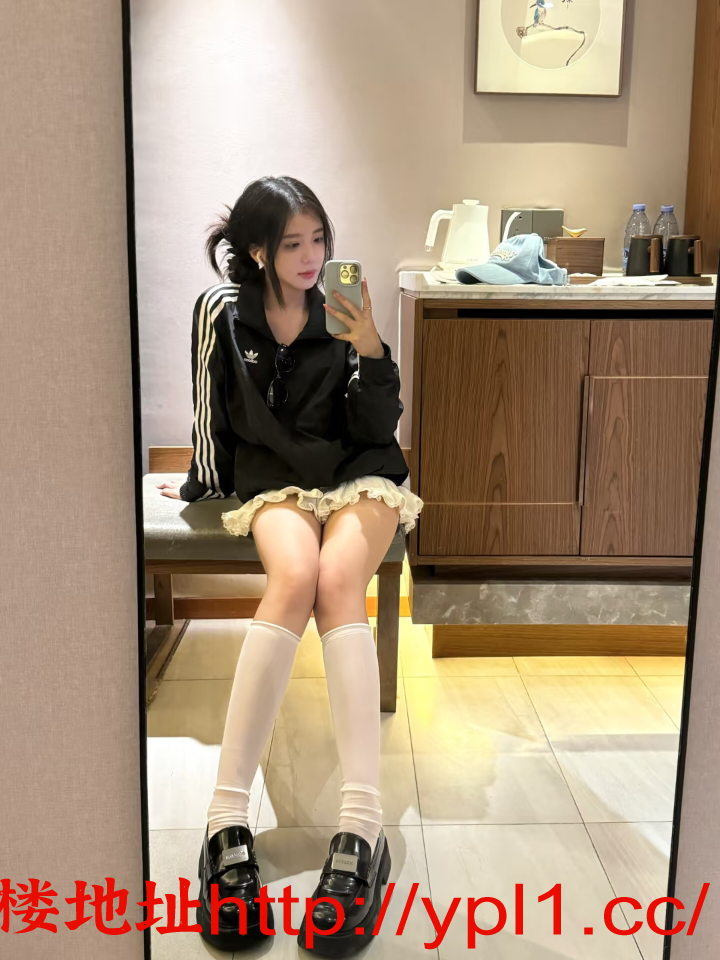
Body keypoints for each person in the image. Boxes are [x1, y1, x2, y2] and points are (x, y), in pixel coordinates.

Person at [156, 175, 423, 955]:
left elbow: (374, 423)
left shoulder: (340, 305)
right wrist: (200, 483)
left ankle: (362, 827)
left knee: (339, 583)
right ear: (256, 251)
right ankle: (224, 819)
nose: (312, 257)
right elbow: (211, 408)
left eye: (320, 240)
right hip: (275, 478)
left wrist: (369, 346)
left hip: (359, 471)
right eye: (293, 244)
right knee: (296, 577)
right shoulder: (221, 311)